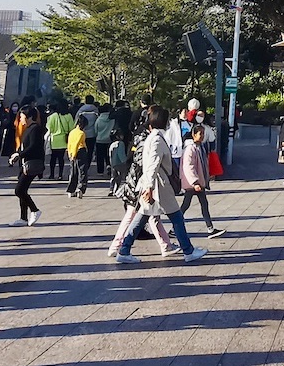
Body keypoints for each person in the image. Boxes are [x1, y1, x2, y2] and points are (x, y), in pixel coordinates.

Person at [114, 105, 208, 264]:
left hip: (154, 185)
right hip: (158, 186)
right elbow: (152, 165)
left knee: (142, 218)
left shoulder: (153, 137)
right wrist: (149, 187)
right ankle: (188, 251)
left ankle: (124, 249)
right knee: (176, 217)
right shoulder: (157, 140)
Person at [179, 123, 224, 237]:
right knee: (186, 206)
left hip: (198, 182)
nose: (202, 136)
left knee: (202, 204)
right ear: (193, 135)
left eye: (203, 133)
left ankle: (210, 228)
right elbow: (189, 167)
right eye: (200, 133)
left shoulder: (199, 147)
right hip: (193, 184)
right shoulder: (190, 149)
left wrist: (207, 176)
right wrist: (195, 182)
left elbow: (203, 165)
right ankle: (176, 228)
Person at [12, 106, 45, 226]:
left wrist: (18, 155)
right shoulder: (28, 128)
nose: (20, 119)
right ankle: (23, 218)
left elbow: (33, 147)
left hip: (32, 163)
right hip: (25, 163)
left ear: (29, 116)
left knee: (19, 190)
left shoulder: (35, 128)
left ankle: (35, 210)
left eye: (22, 116)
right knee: (23, 190)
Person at [45, 103, 73, 180]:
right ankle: (60, 174)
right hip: (64, 139)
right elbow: (71, 128)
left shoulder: (53, 116)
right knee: (61, 158)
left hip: (54, 140)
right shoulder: (69, 116)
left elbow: (49, 127)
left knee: (53, 158)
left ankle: (52, 174)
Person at [66, 117, 91, 198]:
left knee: (73, 172)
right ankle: (81, 188)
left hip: (72, 152)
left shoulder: (72, 132)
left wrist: (71, 154)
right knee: (82, 171)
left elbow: (69, 143)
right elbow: (77, 143)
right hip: (80, 151)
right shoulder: (81, 133)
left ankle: (71, 190)